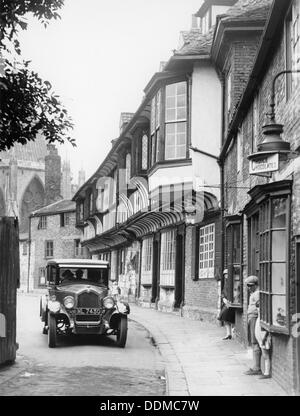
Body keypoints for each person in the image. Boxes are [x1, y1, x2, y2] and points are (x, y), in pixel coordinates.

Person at [244, 275, 261, 376]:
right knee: (253, 342)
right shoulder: (254, 293)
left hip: (254, 318)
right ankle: (255, 365)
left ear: (255, 284)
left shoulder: (257, 293)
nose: (248, 287)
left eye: (250, 285)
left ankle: (257, 367)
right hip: (252, 318)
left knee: (255, 342)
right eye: (248, 285)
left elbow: (259, 307)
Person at [255, 306, 272, 379]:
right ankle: (265, 371)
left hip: (263, 338)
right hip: (260, 338)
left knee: (265, 355)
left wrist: (264, 338)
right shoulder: (260, 317)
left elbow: (266, 329)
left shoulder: (264, 317)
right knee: (264, 354)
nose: (258, 309)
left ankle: (267, 372)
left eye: (258, 308)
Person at [218, 269, 235, 340]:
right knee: (225, 317)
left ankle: (233, 333)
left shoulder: (233, 282)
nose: (226, 276)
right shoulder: (226, 282)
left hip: (232, 303)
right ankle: (228, 334)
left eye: (227, 274)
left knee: (228, 317)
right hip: (226, 302)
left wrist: (231, 301)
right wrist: (223, 298)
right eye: (225, 274)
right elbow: (223, 292)